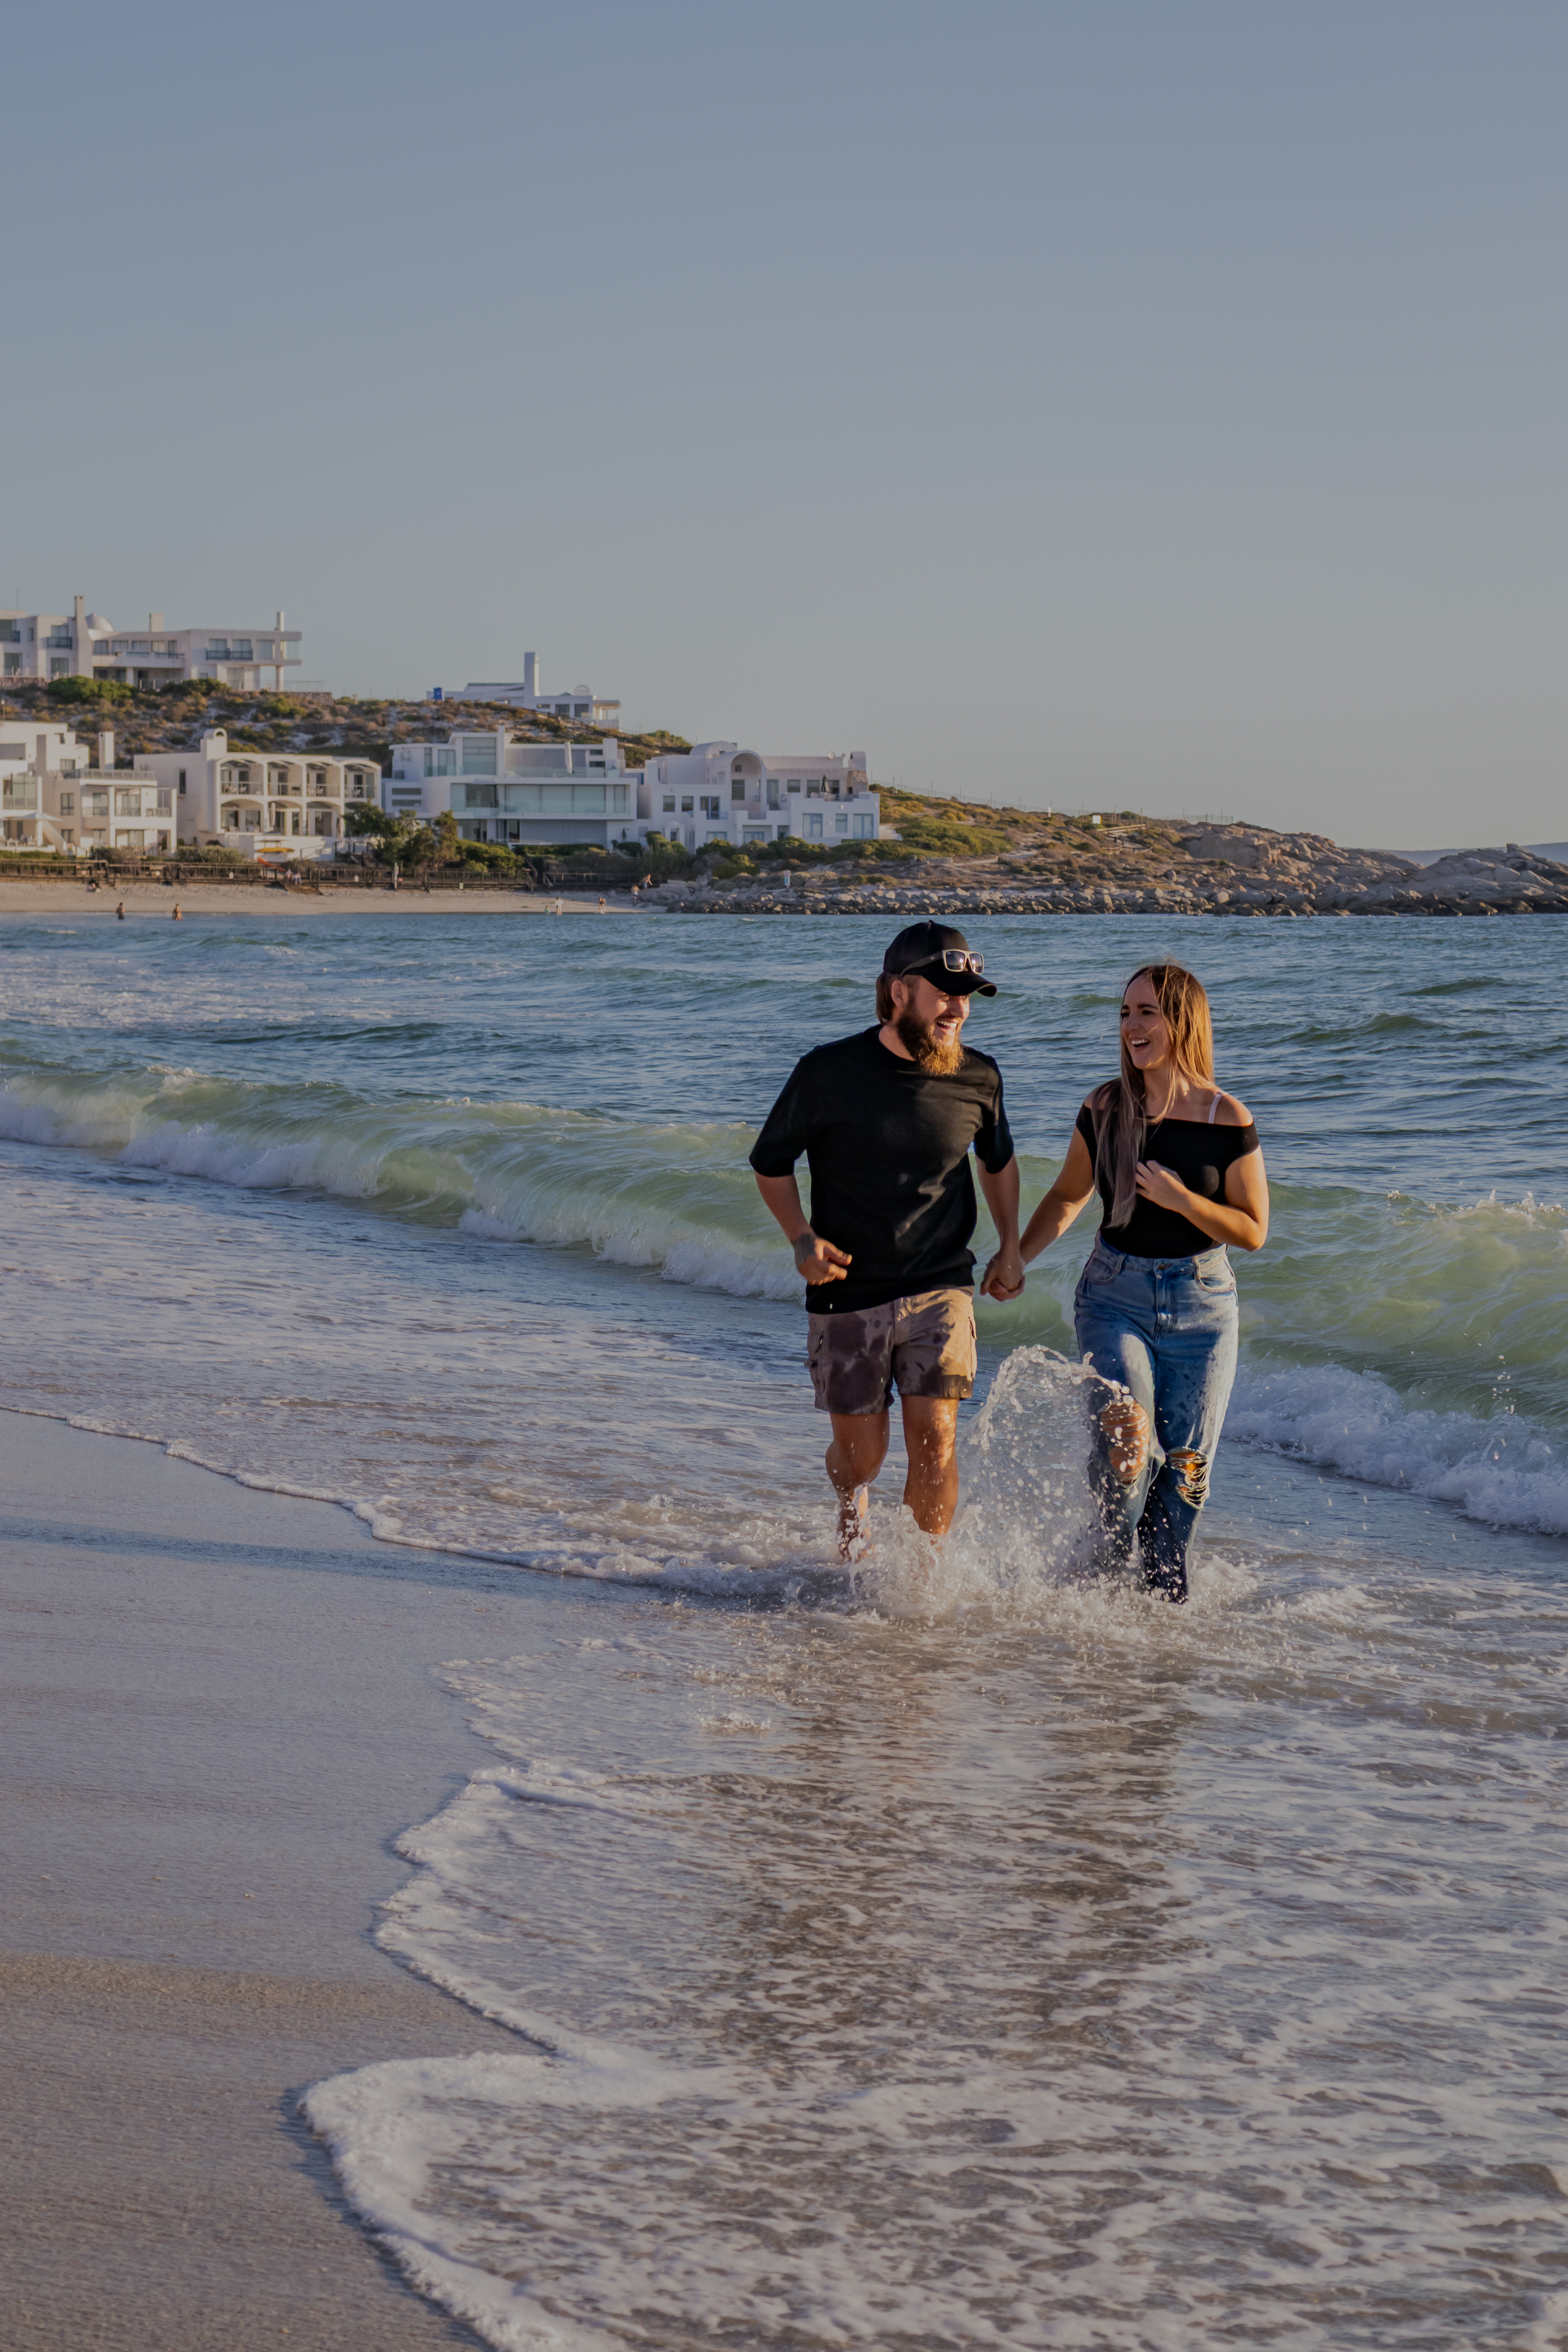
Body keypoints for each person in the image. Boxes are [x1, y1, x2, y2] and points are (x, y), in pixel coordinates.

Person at [987, 962, 1268, 1604]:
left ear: (1183, 1021)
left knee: (1186, 1476)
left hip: (1203, 1306)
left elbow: (1253, 1229)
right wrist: (1016, 1256)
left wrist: (1181, 1199)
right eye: (1125, 1013)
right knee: (1126, 1444)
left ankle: (1155, 1635)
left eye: (1148, 1012)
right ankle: (1095, 1589)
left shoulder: (1227, 1118)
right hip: (1114, 1295)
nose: (1133, 1026)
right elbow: (1067, 1196)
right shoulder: (1106, 1107)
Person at [752, 922, 1020, 1557]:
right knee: (861, 1456)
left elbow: (998, 1162)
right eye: (946, 993)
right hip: (849, 1289)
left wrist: (1010, 1245)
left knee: (936, 1440)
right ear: (900, 993)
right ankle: (851, 1499)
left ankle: (925, 1581)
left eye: (968, 996)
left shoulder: (979, 1078)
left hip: (941, 1283)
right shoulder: (826, 1071)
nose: (959, 1008)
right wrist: (801, 1240)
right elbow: (770, 1162)